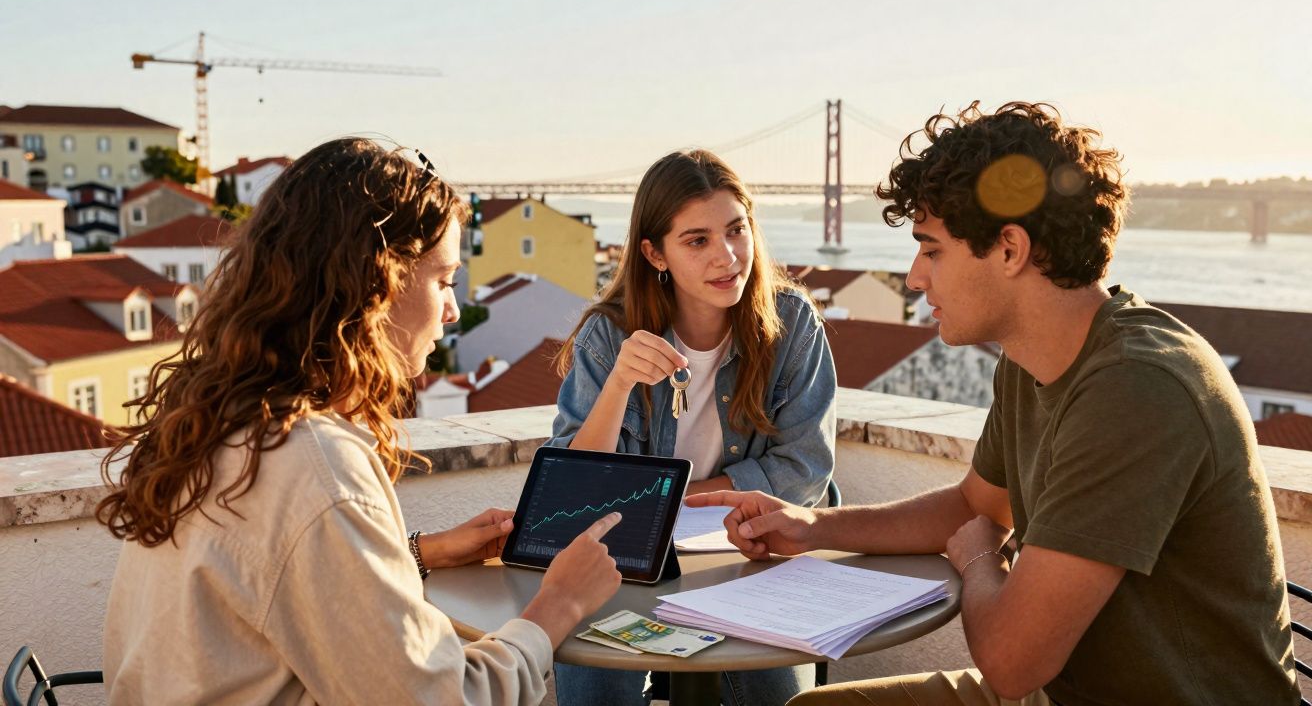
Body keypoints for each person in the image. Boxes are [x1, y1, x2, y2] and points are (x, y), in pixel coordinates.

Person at [688, 102, 1300, 706]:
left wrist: (981, 558)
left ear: (1010, 249)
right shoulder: (1031, 359)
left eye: (931, 250)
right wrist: (812, 527)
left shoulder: (1137, 387)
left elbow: (1010, 663)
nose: (915, 278)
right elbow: (971, 506)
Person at [96, 137, 625, 705]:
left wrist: (416, 554)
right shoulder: (312, 464)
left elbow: (278, 588)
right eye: (444, 281)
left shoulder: (220, 416)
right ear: (376, 284)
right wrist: (558, 606)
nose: (452, 309)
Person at [546, 149, 837, 705]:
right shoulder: (608, 338)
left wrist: (669, 501)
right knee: (594, 686)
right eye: (697, 240)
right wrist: (618, 386)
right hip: (625, 562)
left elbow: (806, 473)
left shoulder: (793, 323)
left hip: (756, 554)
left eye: (736, 230)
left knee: (780, 695)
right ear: (655, 252)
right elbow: (570, 494)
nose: (727, 257)